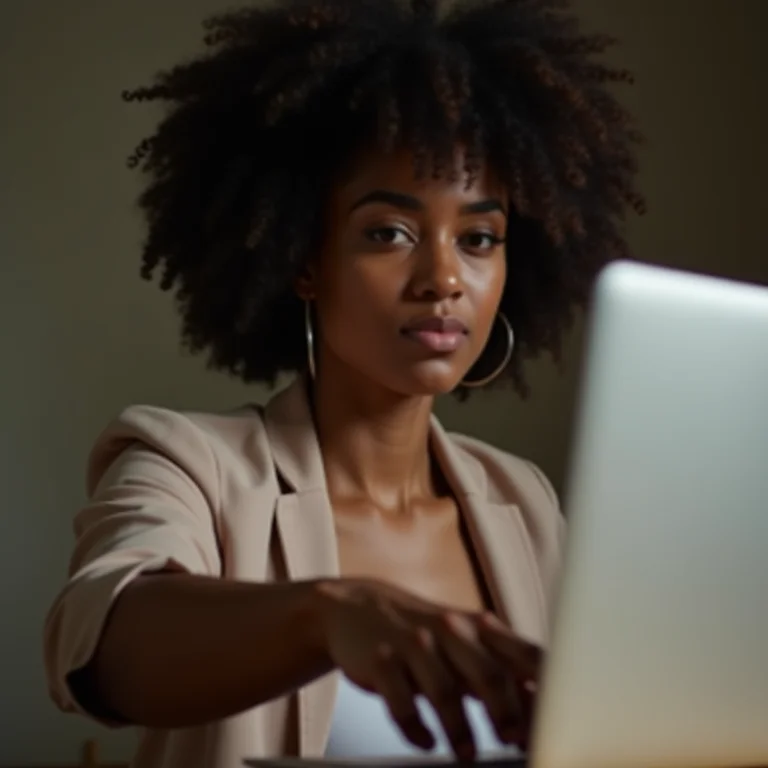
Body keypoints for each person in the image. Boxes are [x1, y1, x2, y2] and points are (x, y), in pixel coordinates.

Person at [43, 0, 643, 765]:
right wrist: (326, 615)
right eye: (389, 232)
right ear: (305, 260)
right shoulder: (187, 464)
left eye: (478, 237)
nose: (443, 278)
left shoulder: (524, 502)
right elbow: (104, 646)